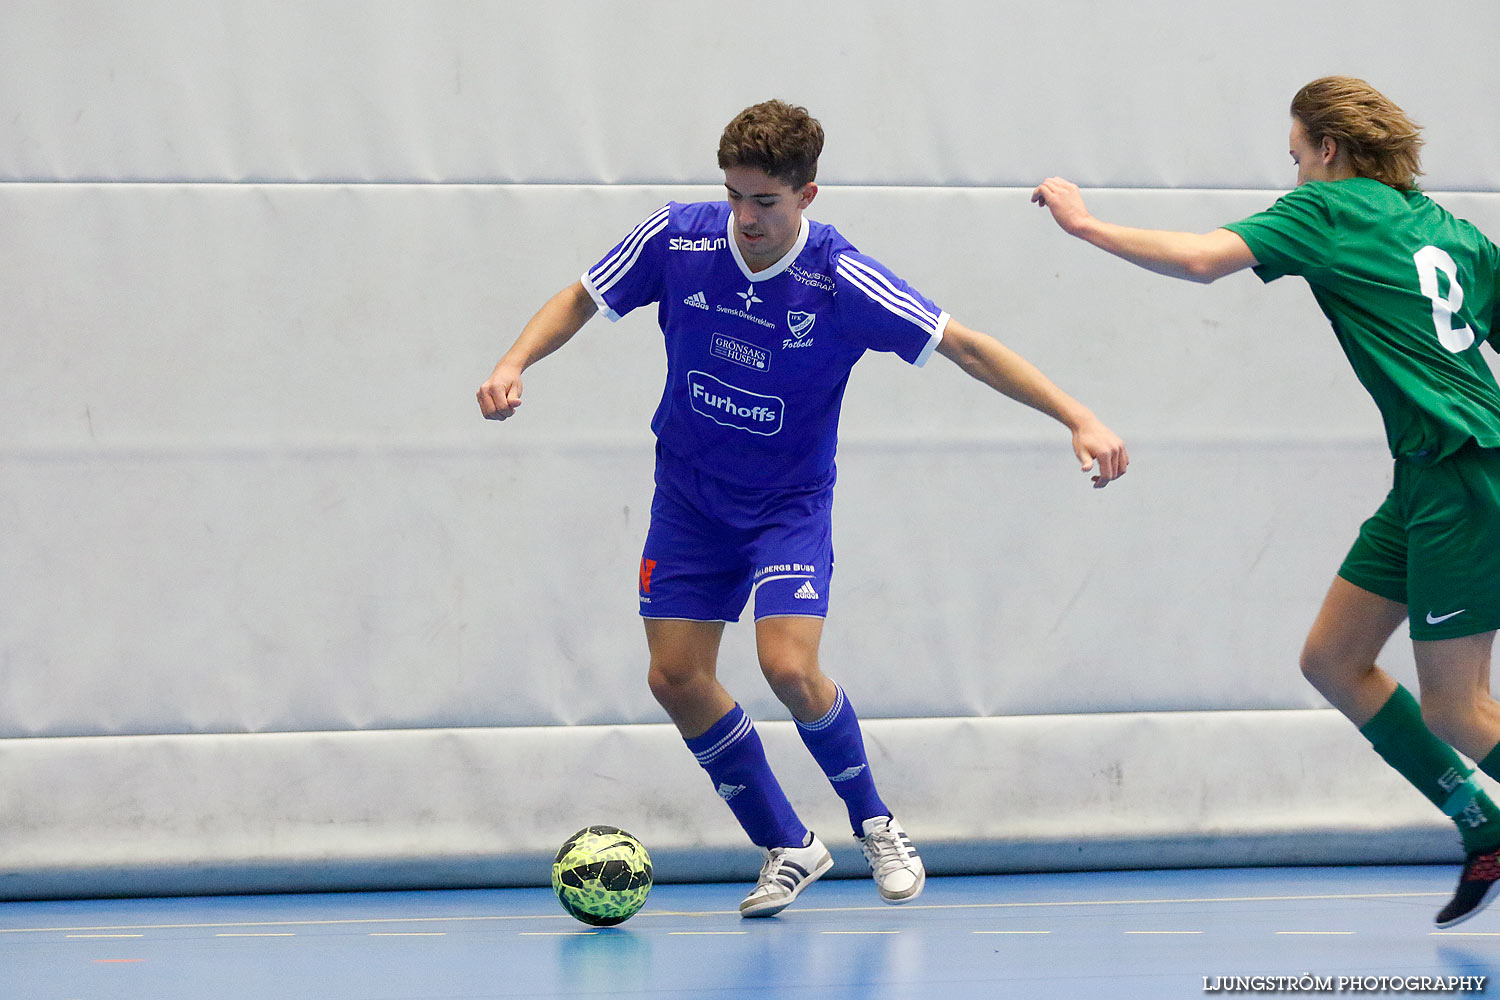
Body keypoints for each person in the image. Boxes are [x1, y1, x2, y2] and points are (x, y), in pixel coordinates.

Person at [481, 99, 1128, 917]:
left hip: (787, 504)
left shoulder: (841, 279)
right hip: (687, 497)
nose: (744, 219)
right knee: (676, 677)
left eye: (765, 202)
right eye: (734, 196)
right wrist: (514, 361)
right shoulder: (677, 238)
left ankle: (875, 822)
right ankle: (789, 845)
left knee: (787, 667)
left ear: (807, 196)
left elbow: (965, 346)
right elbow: (581, 296)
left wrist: (1079, 417)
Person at [1032, 75, 1500, 928]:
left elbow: (1204, 259)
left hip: (1462, 475)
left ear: (1328, 149)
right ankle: (1482, 821)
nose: (1292, 178)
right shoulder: (1452, 232)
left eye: (1295, 158)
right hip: (1428, 477)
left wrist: (1086, 224)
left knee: (1455, 708)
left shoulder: (1327, 211)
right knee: (1331, 658)